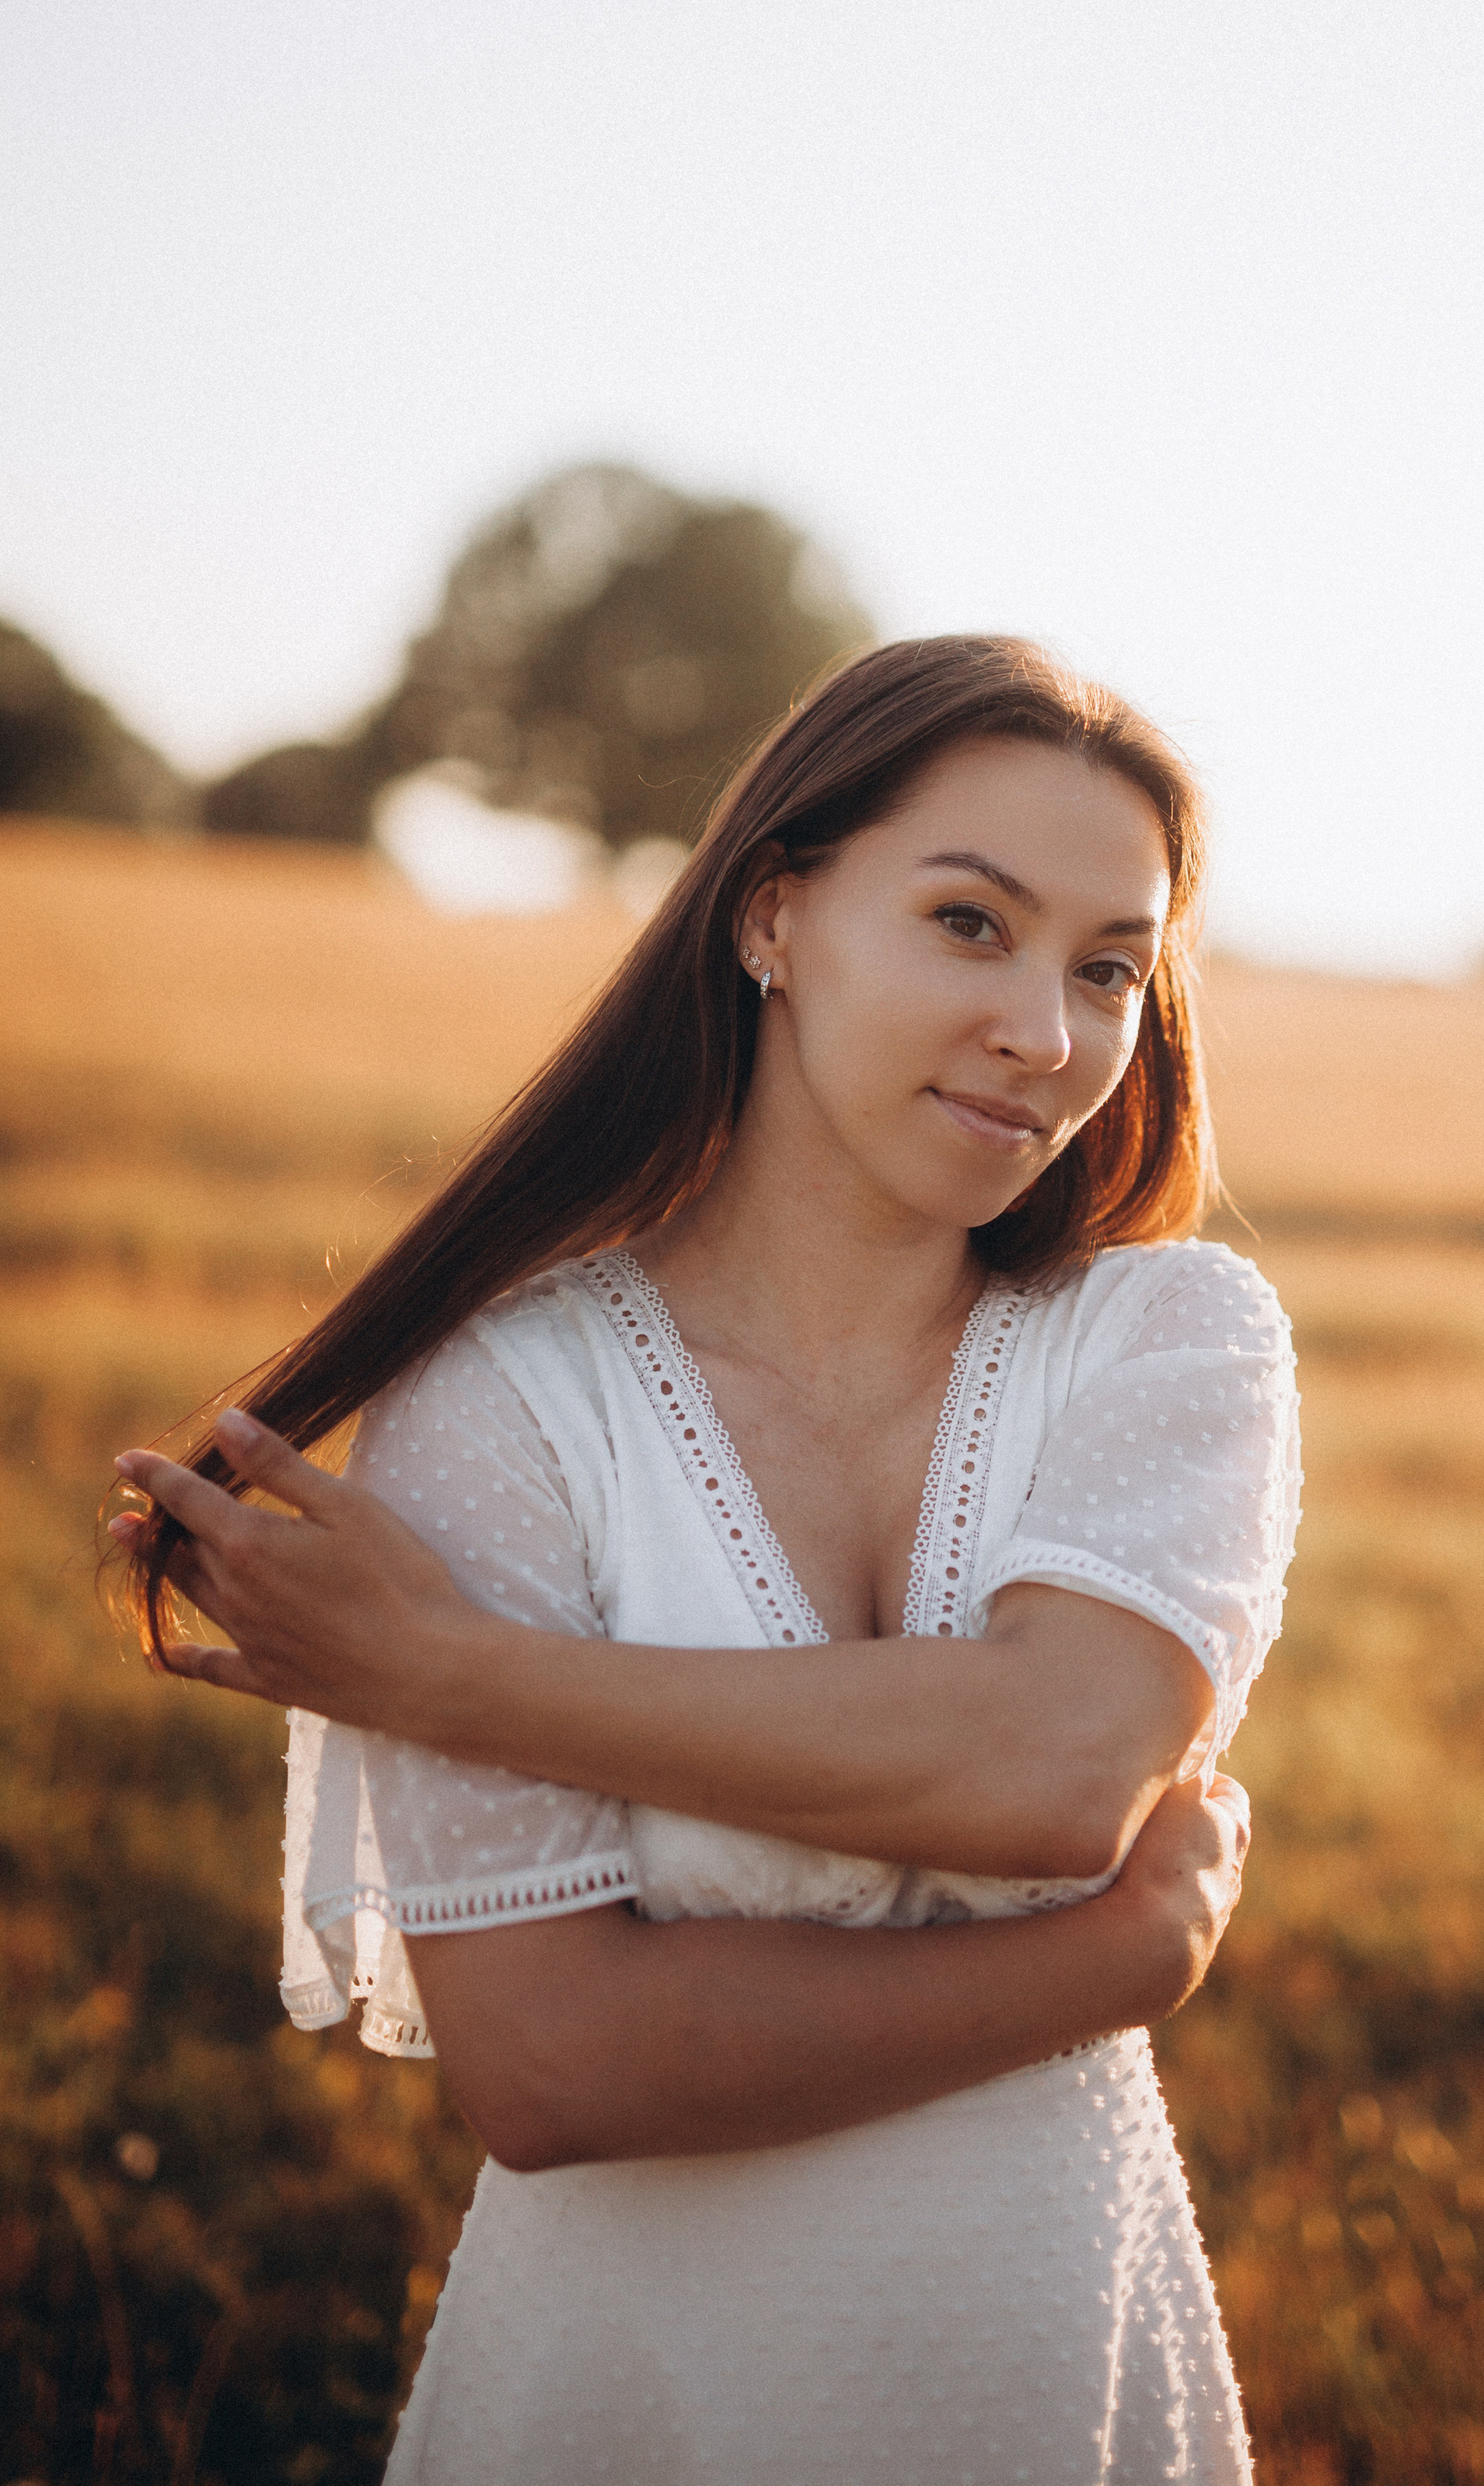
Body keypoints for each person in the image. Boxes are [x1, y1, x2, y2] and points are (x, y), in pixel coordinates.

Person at [114, 635, 1304, 2485]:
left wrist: (455, 1679)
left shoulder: (1169, 1341)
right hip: (636, 2394)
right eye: (969, 925)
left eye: (1107, 970)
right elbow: (556, 2072)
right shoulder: (498, 1404)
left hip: (1058, 2363)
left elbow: (1061, 1768)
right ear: (773, 917)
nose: (1047, 1035)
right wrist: (1116, 1963)